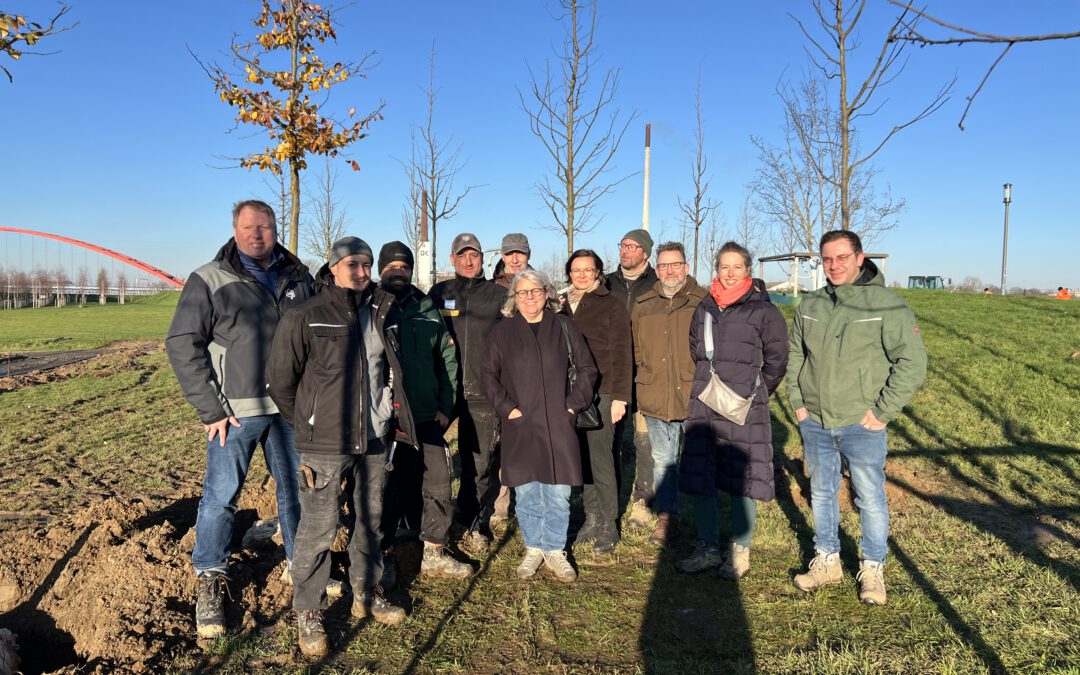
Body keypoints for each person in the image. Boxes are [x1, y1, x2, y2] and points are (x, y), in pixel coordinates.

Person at [165, 199, 313, 639]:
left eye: (264, 227)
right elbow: (181, 344)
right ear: (235, 229)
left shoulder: (298, 276)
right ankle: (211, 575)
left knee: (296, 491)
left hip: (289, 410)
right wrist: (211, 408)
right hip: (235, 414)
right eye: (248, 227)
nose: (257, 234)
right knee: (221, 496)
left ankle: (301, 565)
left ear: (274, 229)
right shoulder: (210, 279)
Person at [266, 237, 410, 657]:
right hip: (325, 443)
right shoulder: (305, 314)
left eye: (367, 264)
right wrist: (309, 422)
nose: (362, 271)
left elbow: (387, 369)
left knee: (371, 519)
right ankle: (309, 609)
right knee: (318, 528)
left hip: (374, 436)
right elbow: (280, 380)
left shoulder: (383, 310)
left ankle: (368, 589)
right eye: (353, 264)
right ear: (332, 268)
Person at [787, 230, 927, 605]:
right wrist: (798, 401)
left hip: (860, 423)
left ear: (860, 258)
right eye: (827, 259)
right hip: (815, 420)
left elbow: (912, 362)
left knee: (869, 497)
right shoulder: (811, 304)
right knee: (821, 491)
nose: (834, 266)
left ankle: (873, 568)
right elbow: (796, 355)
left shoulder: (886, 304)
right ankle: (828, 560)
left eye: (842, 258)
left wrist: (882, 411)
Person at [677, 242, 788, 578]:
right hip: (705, 404)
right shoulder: (704, 309)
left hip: (745, 408)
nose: (729, 273)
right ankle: (707, 547)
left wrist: (756, 392)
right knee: (702, 477)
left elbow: (778, 360)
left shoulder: (765, 312)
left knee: (743, 480)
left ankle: (740, 550)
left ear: (747, 270)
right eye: (724, 266)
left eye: (736, 266)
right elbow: (696, 348)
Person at [480, 269, 598, 582]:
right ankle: (534, 547)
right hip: (521, 424)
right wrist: (508, 408)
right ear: (514, 298)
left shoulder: (563, 326)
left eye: (535, 291)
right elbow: (487, 375)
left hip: (558, 423)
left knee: (558, 491)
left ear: (546, 293)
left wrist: (573, 405)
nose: (530, 297)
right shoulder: (503, 332)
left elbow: (587, 368)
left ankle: (555, 549)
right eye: (523, 292)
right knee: (528, 489)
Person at [375, 241, 472, 582]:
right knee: (387, 489)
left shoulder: (426, 306)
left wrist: (446, 406)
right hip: (387, 419)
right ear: (380, 270)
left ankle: (434, 549)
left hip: (428, 415)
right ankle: (381, 555)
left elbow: (446, 360)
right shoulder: (372, 306)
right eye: (392, 267)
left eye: (404, 267)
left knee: (439, 481)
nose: (398, 272)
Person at [429, 233, 506, 553]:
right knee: (428, 456)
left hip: (482, 390)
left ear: (482, 258)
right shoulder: (439, 293)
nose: (469, 261)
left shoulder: (497, 295)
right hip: (443, 389)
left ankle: (474, 521)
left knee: (479, 461)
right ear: (452, 259)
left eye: (474, 255)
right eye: (463, 255)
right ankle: (424, 522)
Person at [631, 242, 707, 546]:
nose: (669, 271)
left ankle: (707, 529)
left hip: (693, 393)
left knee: (699, 460)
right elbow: (636, 347)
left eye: (675, 264)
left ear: (686, 267)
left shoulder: (702, 301)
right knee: (662, 460)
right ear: (656, 269)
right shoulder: (644, 303)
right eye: (663, 266)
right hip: (655, 394)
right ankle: (666, 517)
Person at [560, 250, 632, 554]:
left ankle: (608, 522)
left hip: (603, 392)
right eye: (576, 270)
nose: (581, 275)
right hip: (571, 393)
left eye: (587, 270)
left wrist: (620, 397)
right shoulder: (562, 306)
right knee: (583, 459)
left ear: (598, 272)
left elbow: (622, 354)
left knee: (601, 459)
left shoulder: (611, 306)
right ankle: (590, 517)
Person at [605, 228, 659, 530]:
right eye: (622, 245)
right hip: (612, 375)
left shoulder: (657, 284)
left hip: (645, 374)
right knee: (610, 440)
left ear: (645, 253)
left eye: (632, 246)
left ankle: (641, 502)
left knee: (644, 441)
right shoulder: (607, 283)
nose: (624, 251)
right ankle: (609, 496)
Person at [490, 232, 533, 528]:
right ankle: (499, 506)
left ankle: (529, 504)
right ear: (502, 257)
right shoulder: (491, 291)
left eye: (520, 253)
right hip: (501, 379)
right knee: (499, 445)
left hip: (532, 380)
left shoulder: (538, 287)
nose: (515, 259)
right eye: (509, 254)